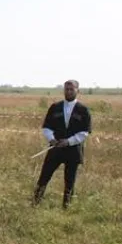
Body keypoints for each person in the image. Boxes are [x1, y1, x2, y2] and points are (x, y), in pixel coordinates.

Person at [32, 80, 92, 208]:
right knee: (44, 176)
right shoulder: (55, 107)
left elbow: (85, 132)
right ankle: (35, 202)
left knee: (69, 181)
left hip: (73, 150)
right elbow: (46, 127)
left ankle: (66, 207)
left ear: (78, 91)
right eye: (67, 89)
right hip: (55, 148)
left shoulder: (83, 110)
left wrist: (68, 141)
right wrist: (51, 139)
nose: (69, 91)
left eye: (72, 89)